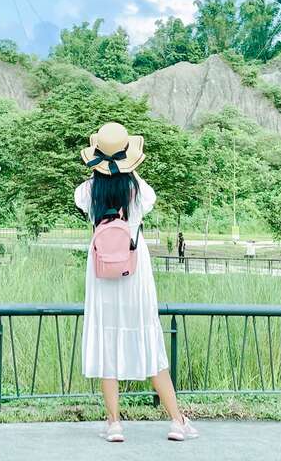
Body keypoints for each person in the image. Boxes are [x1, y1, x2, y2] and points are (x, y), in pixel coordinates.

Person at [75, 122, 198, 443]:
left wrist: (103, 170)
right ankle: (176, 420)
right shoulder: (138, 190)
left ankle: (114, 423)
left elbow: (85, 196)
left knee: (107, 341)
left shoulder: (88, 191)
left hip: (101, 270)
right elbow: (146, 197)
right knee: (147, 339)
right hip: (134, 268)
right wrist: (127, 169)